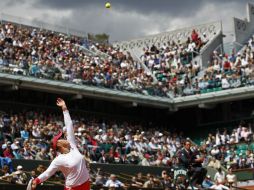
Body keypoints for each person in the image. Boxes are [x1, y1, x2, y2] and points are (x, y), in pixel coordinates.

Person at [29, 98, 90, 190]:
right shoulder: (59, 159)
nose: (64, 137)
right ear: (59, 145)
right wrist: (36, 181)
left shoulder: (72, 145)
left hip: (86, 184)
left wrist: (64, 108)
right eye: (61, 138)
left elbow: (69, 124)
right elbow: (47, 173)